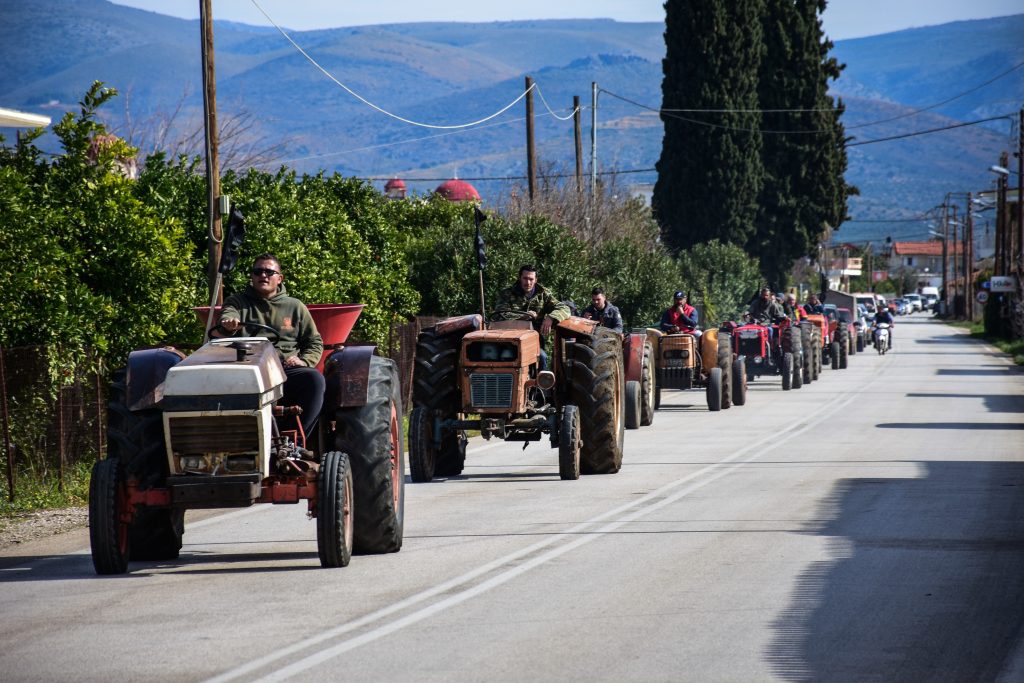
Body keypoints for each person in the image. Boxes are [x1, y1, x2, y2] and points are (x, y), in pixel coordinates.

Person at [217, 254, 325, 435]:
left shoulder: (295, 306)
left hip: (284, 368)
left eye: (269, 272)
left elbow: (314, 341)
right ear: (252, 276)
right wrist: (230, 322)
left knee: (314, 380)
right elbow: (228, 314)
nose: (263, 276)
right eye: (258, 271)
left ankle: (296, 441)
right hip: (247, 367)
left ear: (279, 278)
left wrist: (304, 361)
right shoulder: (237, 302)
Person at [492, 265, 571, 368]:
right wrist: (523, 317)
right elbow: (500, 315)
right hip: (508, 340)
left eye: (531, 279)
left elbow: (564, 308)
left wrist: (551, 318)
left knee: (542, 357)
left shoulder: (543, 294)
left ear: (536, 280)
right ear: (520, 278)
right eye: (525, 278)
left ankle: (540, 383)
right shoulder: (506, 294)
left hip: (534, 341)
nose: (528, 282)